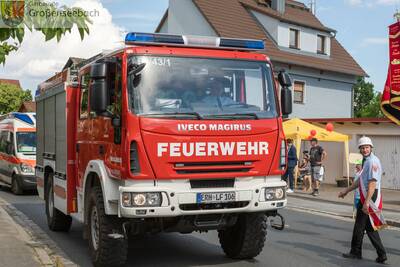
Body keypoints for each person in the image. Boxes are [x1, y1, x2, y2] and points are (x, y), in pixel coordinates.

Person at [338, 136, 387, 264]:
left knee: (360, 225)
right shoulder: (366, 161)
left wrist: (366, 203)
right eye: (362, 148)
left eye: (366, 147)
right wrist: (346, 190)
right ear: (360, 149)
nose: (365, 149)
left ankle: (355, 252)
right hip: (368, 194)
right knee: (369, 227)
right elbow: (360, 181)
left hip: (370, 195)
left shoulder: (372, 162)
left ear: (371, 147)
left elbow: (372, 183)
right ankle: (381, 254)